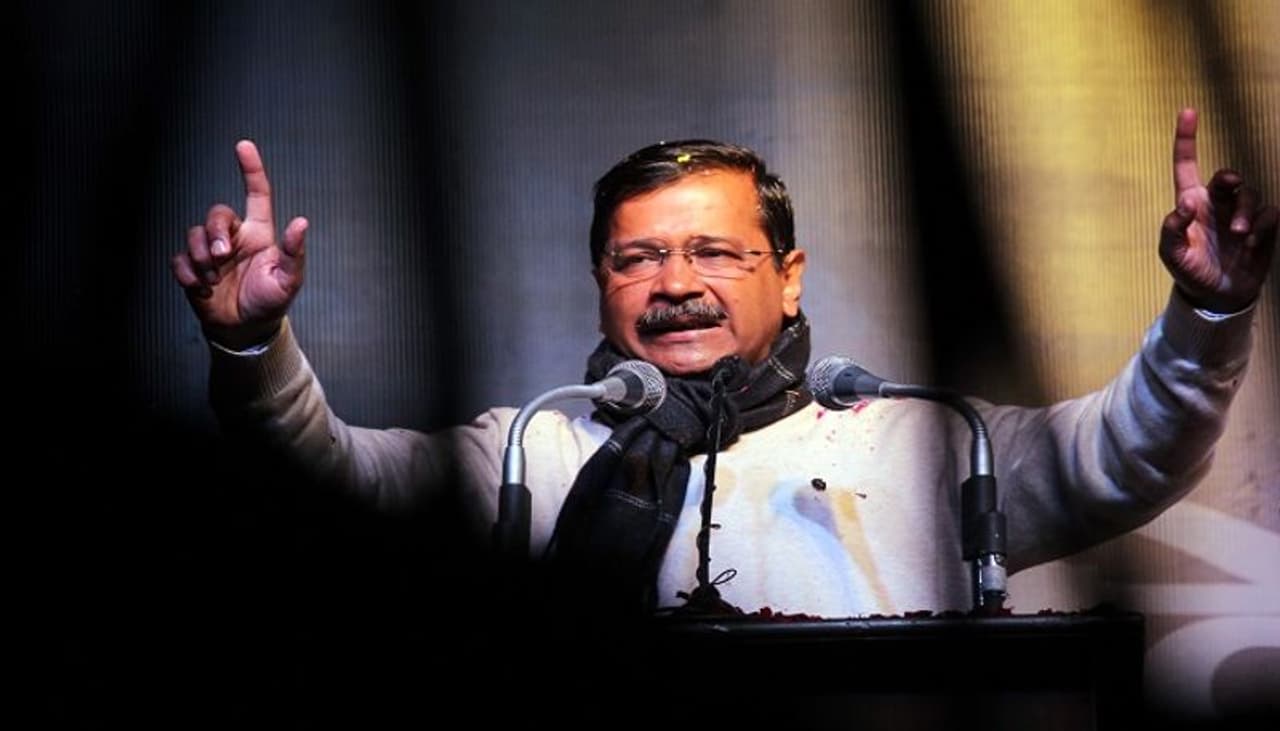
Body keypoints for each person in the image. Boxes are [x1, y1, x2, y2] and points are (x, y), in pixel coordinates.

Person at [172, 109, 1275, 619]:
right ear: (601, 281)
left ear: (788, 277)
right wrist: (248, 344)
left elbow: (1125, 453)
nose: (675, 283)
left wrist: (1207, 308)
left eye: (714, 252)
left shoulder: (928, 438)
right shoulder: (530, 450)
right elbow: (323, 476)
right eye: (637, 258)